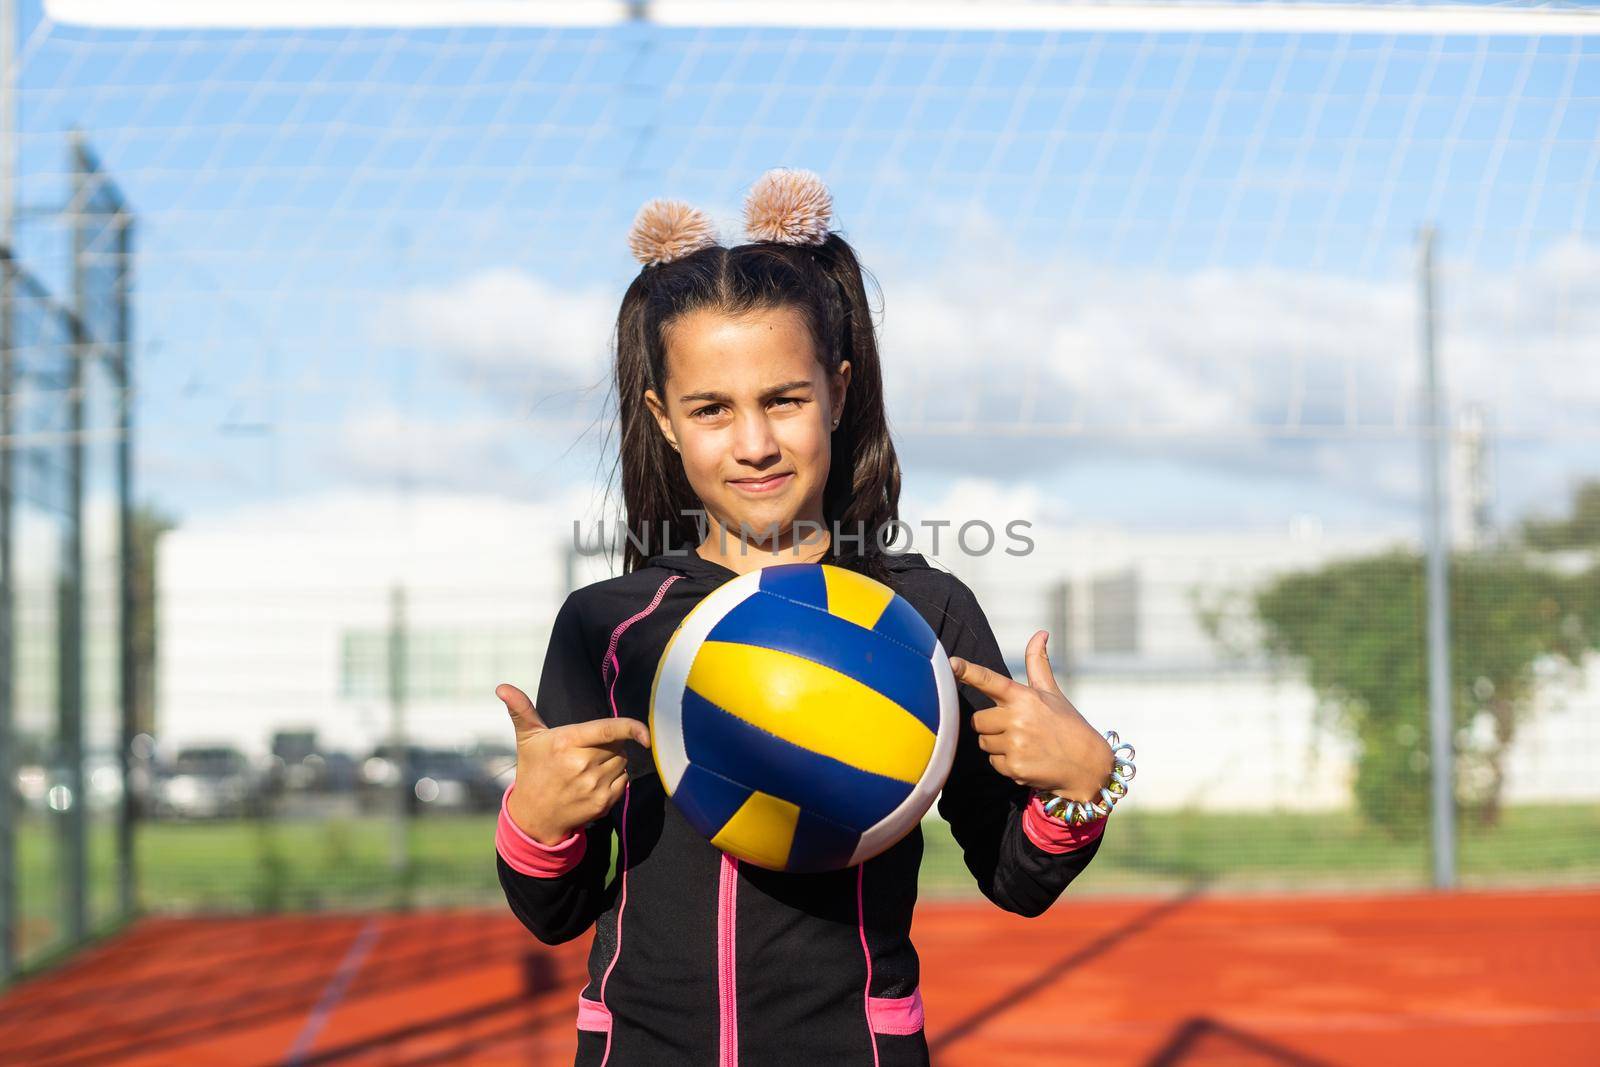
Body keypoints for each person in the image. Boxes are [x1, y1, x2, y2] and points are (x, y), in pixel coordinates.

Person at [494, 169, 1125, 1067]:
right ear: (664, 421)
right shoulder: (610, 623)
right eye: (711, 409)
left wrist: (1080, 788)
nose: (753, 442)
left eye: (783, 399)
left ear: (836, 389)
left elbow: (1014, 877)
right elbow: (551, 911)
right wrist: (539, 821)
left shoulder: (923, 613)